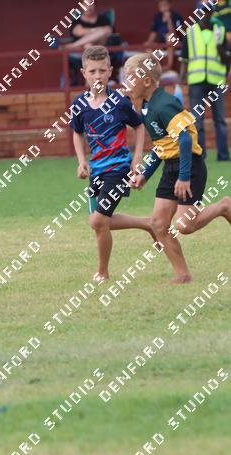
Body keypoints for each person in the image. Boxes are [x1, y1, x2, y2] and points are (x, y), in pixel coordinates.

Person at [127, 53, 231, 284]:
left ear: (146, 81)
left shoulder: (164, 104)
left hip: (189, 165)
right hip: (171, 167)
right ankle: (183, 275)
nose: (127, 83)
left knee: (185, 225)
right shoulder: (147, 106)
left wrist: (184, 177)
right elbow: (162, 146)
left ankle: (224, 206)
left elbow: (184, 139)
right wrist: (145, 174)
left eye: (131, 78)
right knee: (158, 224)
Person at [70, 46, 154, 282]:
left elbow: (139, 126)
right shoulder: (79, 104)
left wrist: (137, 157)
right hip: (96, 170)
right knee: (98, 222)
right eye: (92, 71)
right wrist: (81, 161)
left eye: (101, 71)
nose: (97, 76)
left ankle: (103, 272)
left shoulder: (120, 102)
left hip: (118, 169)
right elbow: (77, 133)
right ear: (84, 73)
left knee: (99, 220)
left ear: (110, 71)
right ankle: (148, 223)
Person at [180, 10, 229, 161]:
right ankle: (200, 156)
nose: (206, 15)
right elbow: (184, 58)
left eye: (209, 12)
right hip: (196, 81)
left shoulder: (220, 30)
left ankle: (223, 156)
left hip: (216, 81)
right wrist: (181, 80)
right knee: (197, 121)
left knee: (220, 120)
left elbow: (226, 59)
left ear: (212, 13)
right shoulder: (190, 32)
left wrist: (219, 45)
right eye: (203, 11)